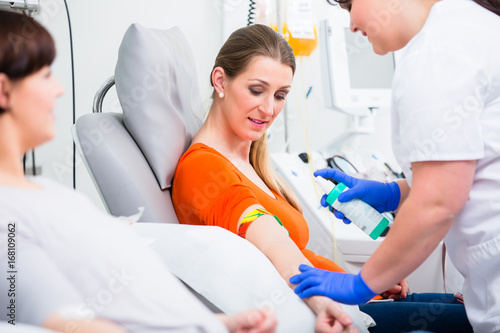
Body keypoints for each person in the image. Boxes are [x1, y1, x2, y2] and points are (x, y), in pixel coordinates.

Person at [171, 24, 472, 333]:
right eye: (256, 90)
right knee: (471, 322)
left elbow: (301, 254)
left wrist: (369, 282)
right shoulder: (203, 167)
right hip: (317, 312)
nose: (268, 108)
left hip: (346, 300)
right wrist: (326, 301)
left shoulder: (252, 162)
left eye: (280, 95)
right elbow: (272, 240)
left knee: (470, 308)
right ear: (220, 80)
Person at [0, 9, 276, 333]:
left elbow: (128, 298)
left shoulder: (48, 193)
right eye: (45, 75)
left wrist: (218, 323)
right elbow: (55, 321)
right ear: (4, 91)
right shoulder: (9, 212)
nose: (58, 89)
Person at [290, 0, 500, 332]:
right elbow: (474, 168)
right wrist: (395, 193)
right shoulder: (469, 28)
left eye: (349, 6)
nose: (352, 25)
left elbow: (437, 203)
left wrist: (362, 283)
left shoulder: (436, 51)